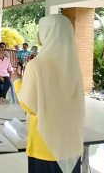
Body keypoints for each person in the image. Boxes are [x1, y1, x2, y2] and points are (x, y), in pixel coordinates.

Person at [12, 15, 85, 173]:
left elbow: (29, 105)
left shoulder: (36, 65)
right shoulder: (74, 66)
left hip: (45, 145)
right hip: (72, 145)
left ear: (48, 33)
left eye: (40, 30)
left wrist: (16, 81)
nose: (38, 34)